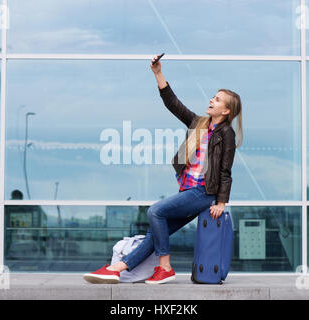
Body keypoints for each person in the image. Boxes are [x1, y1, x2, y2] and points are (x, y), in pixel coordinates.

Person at [83, 54, 243, 284]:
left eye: (217, 100)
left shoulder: (226, 133)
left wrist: (221, 202)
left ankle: (164, 267)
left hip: (203, 192)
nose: (211, 100)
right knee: (154, 234)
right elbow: (173, 103)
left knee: (155, 211)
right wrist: (158, 73)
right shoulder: (198, 124)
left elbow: (225, 169)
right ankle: (116, 269)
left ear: (226, 111)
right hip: (188, 191)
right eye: (213, 97)